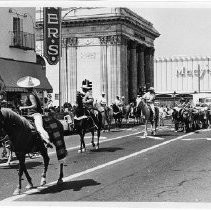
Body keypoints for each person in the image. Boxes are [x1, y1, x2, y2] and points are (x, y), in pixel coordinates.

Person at [17, 76, 52, 148]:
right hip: (29, 114)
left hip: (35, 114)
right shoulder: (31, 94)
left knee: (39, 127)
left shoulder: (30, 95)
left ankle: (47, 140)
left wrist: (23, 107)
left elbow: (34, 105)